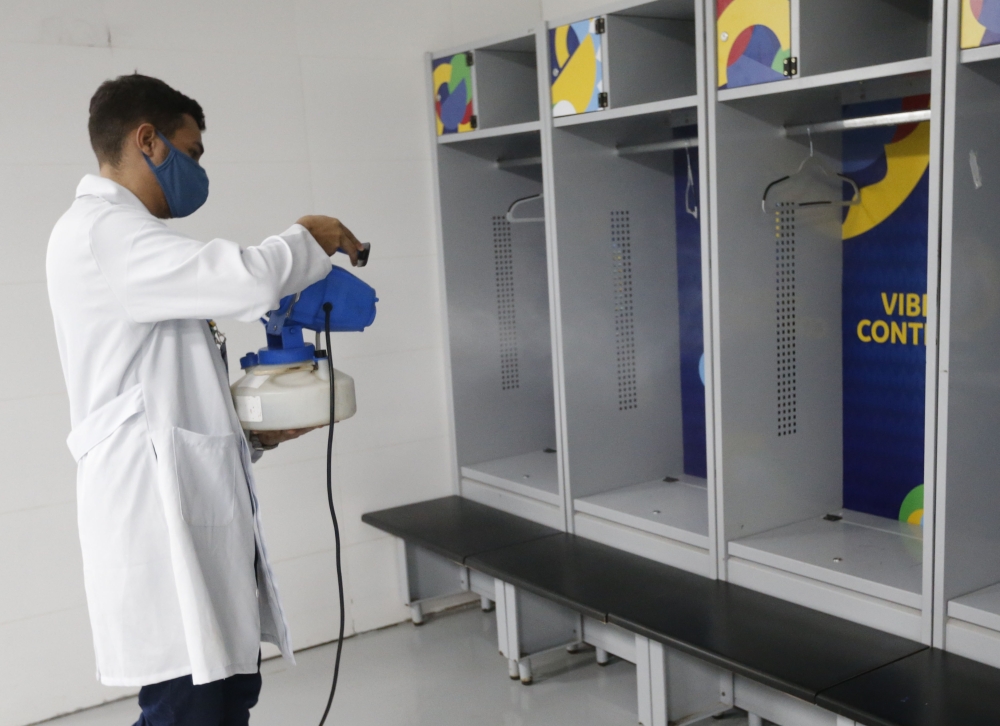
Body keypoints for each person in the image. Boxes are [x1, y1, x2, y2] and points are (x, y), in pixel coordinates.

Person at [46, 73, 364, 725]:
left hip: (187, 506)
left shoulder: (129, 243)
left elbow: (162, 390)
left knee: (222, 699)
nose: (197, 171)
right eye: (190, 153)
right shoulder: (104, 233)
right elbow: (244, 279)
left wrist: (251, 438)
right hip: (156, 518)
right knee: (188, 709)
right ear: (148, 141)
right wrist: (310, 236)